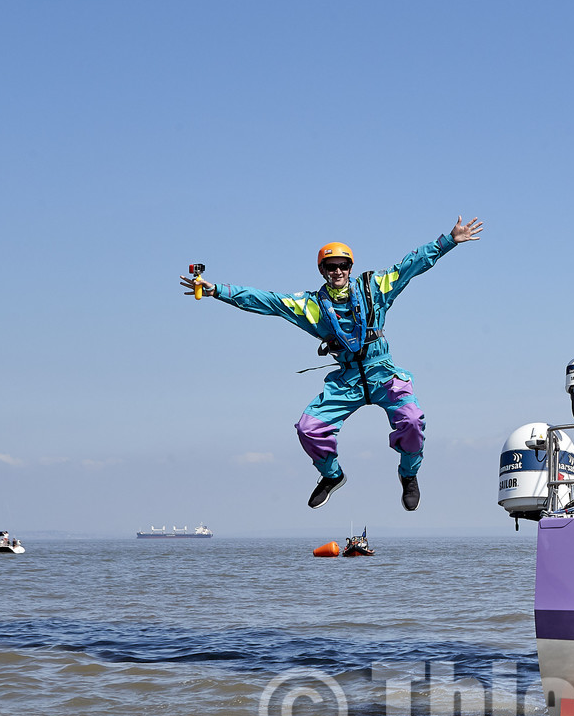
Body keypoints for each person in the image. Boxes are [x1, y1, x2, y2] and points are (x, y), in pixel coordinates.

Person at [180, 217, 484, 511]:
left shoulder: (374, 287)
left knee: (412, 420)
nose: (337, 271)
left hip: (383, 374)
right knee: (308, 428)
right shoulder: (310, 305)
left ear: (351, 267)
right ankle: (331, 475)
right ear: (322, 270)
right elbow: (266, 301)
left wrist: (449, 241)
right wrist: (217, 291)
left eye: (342, 265)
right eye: (331, 266)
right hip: (347, 381)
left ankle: (409, 474)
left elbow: (411, 265)